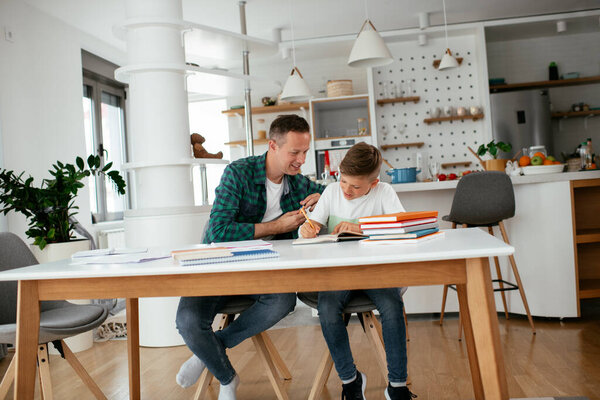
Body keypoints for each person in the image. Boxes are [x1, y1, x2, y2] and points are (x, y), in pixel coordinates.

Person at [175, 114, 324, 400]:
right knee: (188, 322)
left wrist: (325, 197)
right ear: (273, 146)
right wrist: (275, 227)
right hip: (218, 265)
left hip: (261, 273)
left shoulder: (299, 185)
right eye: (295, 152)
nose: (301, 160)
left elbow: (336, 196)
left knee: (282, 300)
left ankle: (210, 351)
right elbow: (218, 231)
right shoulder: (238, 173)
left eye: (305, 152)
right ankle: (227, 377)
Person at [300, 142, 415, 400]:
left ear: (372, 184)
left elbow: (403, 228)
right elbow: (313, 226)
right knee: (327, 309)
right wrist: (306, 230)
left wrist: (364, 229)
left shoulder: (384, 192)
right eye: (343, 182)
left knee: (392, 307)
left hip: (375, 271)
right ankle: (350, 380)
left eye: (355, 186)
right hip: (339, 273)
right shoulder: (331, 192)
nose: (347, 191)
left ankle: (397, 385)